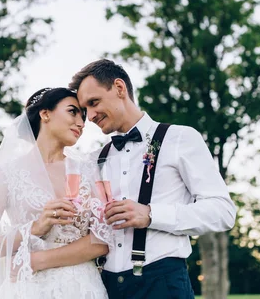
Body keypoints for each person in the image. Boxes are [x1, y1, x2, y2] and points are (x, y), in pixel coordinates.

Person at [69, 59, 237, 299]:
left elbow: (223, 212)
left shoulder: (180, 138)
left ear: (119, 88)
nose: (90, 116)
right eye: (85, 109)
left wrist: (150, 214)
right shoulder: (95, 159)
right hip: (106, 287)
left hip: (162, 284)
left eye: (93, 103)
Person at [0, 87, 113, 299]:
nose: (81, 123)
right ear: (45, 113)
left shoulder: (87, 169)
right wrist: (35, 227)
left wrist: (38, 260)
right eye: (73, 111)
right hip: (27, 289)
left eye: (83, 116)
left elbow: (103, 241)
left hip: (82, 288)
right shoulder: (8, 173)